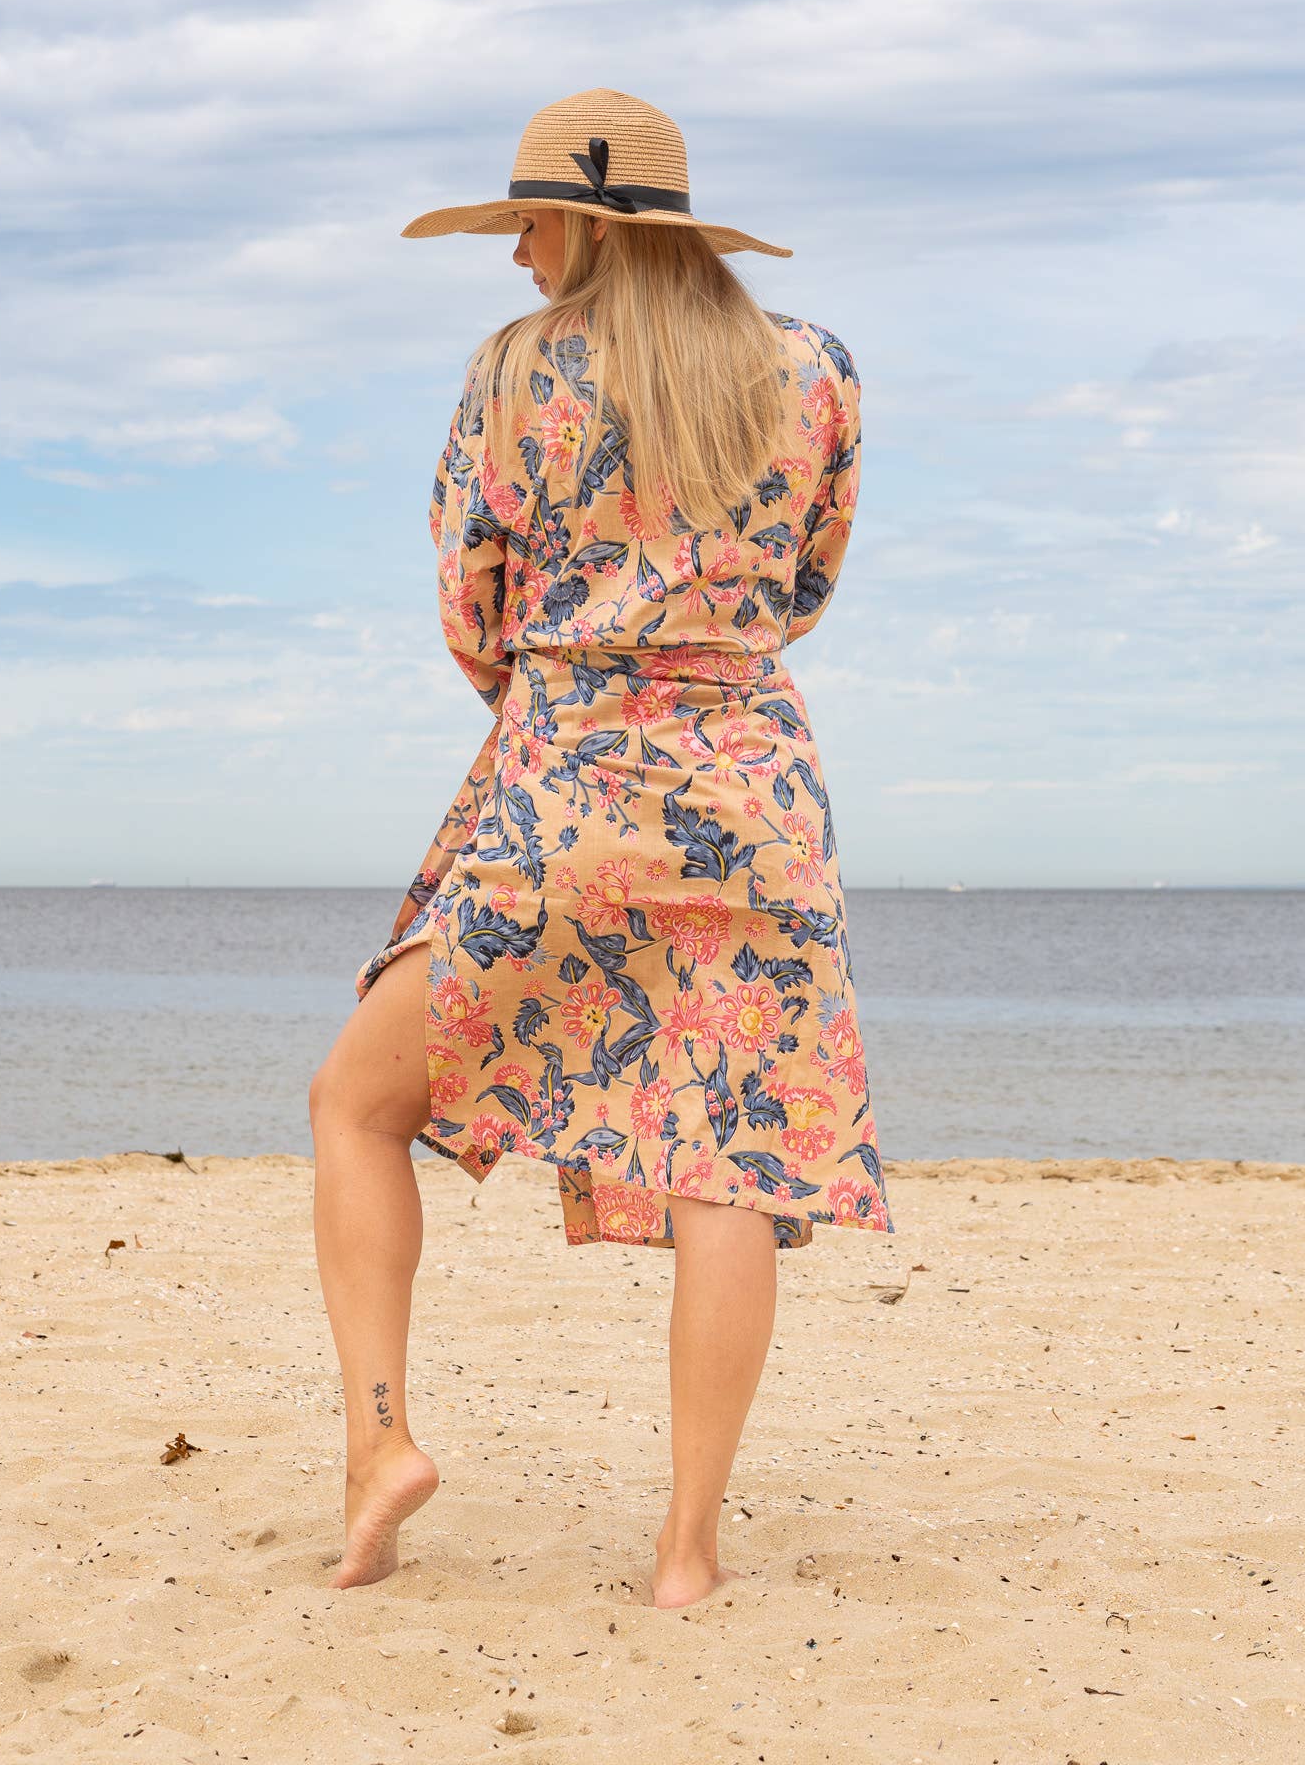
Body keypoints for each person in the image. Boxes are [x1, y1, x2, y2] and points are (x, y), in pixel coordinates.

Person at [308, 87, 895, 1609]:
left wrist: (575, 683)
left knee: (356, 1105)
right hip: (756, 790)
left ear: (584, 225)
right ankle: (689, 1555)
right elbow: (810, 575)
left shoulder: (516, 378)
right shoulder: (816, 370)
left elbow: (474, 604)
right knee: (727, 1168)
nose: (513, 256)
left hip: (566, 778)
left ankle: (381, 1446)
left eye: (526, 223)